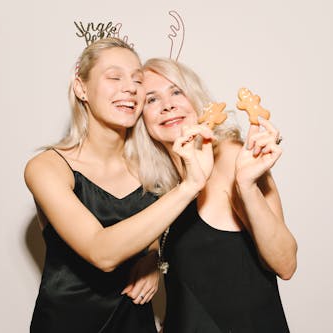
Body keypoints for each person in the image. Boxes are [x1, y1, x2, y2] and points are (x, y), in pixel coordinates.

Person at [24, 38, 214, 333]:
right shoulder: (48, 167)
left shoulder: (152, 165)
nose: (130, 88)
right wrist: (188, 186)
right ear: (81, 88)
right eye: (114, 77)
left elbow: (154, 227)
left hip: (135, 323)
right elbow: (102, 252)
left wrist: (153, 257)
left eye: (137, 80)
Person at [132, 58, 298, 332]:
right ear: (141, 117)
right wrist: (151, 259)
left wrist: (246, 187)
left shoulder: (232, 157)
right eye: (151, 99)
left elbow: (285, 263)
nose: (167, 105)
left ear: (196, 100)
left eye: (176, 91)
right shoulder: (163, 185)